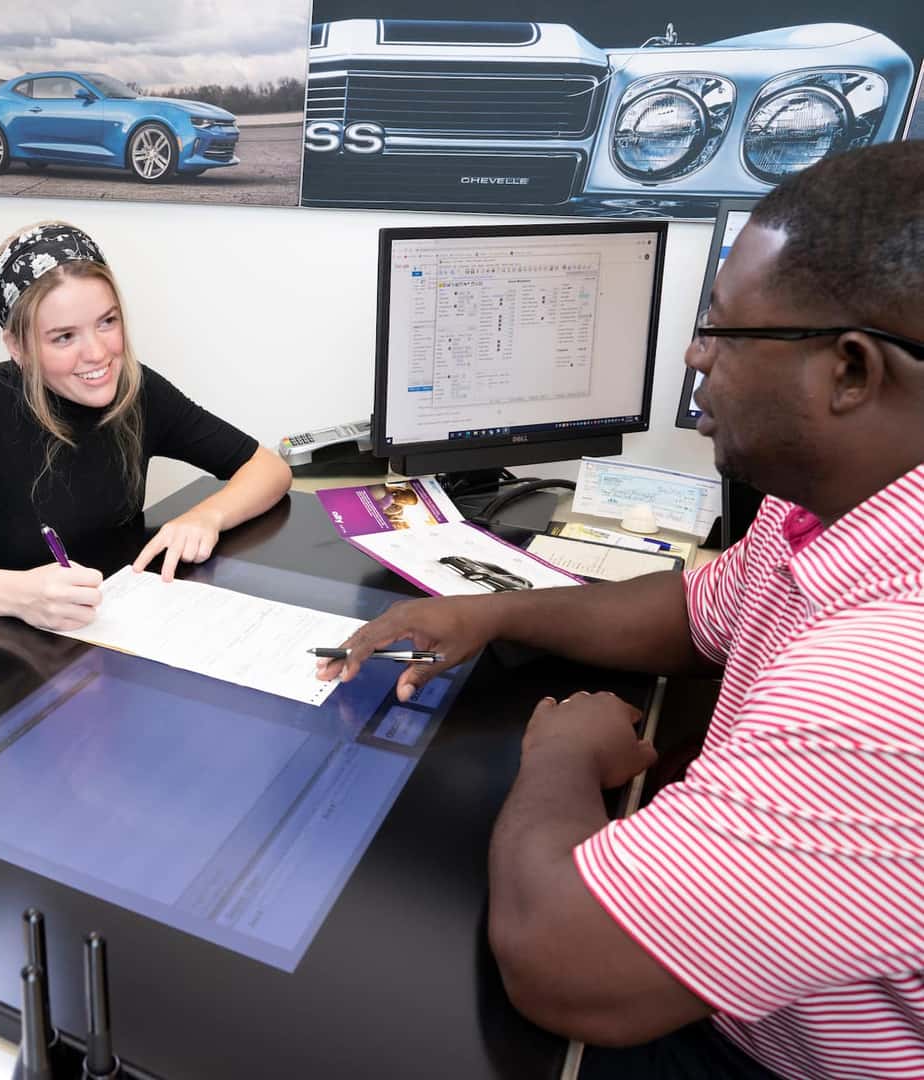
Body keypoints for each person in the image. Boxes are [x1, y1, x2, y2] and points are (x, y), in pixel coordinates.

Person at [323, 140, 924, 1080]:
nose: (695, 355)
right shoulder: (832, 513)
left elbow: (565, 967)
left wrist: (563, 760)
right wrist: (494, 615)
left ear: (850, 371)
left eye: (725, 330)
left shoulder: (888, 676)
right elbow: (694, 609)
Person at [0, 221, 291, 631]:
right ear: (19, 346)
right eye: (64, 337)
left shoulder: (135, 389)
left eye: (107, 322)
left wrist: (205, 517)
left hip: (109, 634)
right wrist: (19, 595)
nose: (97, 353)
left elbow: (268, 468)